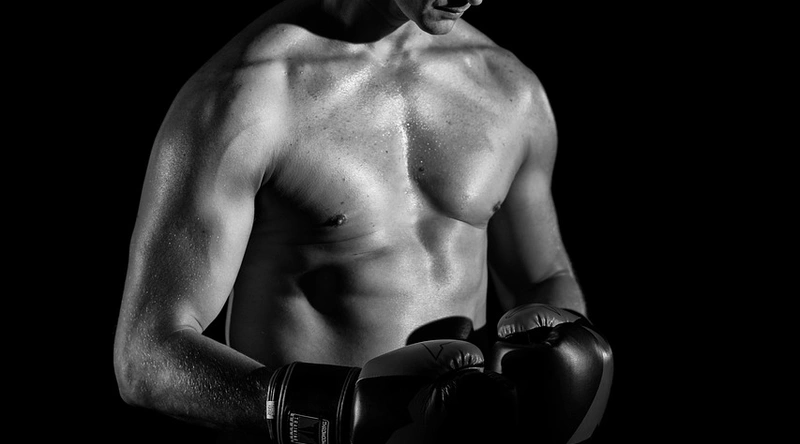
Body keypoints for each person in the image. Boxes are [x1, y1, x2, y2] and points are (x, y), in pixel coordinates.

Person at [114, 1, 613, 443]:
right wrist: (335, 414)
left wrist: (565, 352)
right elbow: (147, 358)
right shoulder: (248, 94)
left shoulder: (509, 90)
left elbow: (543, 277)